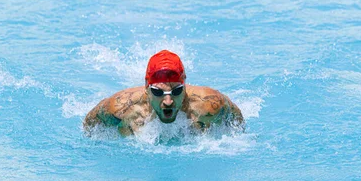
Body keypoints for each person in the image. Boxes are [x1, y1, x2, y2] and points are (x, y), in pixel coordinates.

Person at [84, 50, 244, 136]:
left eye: (176, 91)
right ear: (146, 86)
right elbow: (90, 124)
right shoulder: (122, 107)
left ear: (185, 85)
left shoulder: (209, 104)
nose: (168, 101)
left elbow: (236, 118)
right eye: (158, 92)